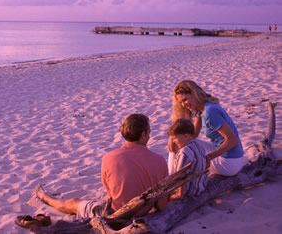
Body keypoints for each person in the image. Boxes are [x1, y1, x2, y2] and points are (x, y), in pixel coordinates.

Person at [34, 114, 168, 219]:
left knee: (73, 203)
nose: (149, 136)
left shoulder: (109, 157)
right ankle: (45, 197)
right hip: (141, 213)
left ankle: (46, 198)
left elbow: (110, 190)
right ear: (143, 134)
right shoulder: (160, 160)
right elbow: (162, 205)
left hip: (115, 214)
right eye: (149, 132)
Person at [170, 80, 244, 176]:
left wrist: (209, 157)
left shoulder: (210, 112)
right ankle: (173, 177)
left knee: (177, 146)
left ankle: (173, 178)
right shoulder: (202, 109)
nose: (183, 105)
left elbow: (233, 140)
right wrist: (173, 138)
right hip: (233, 157)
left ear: (194, 94)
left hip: (229, 163)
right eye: (181, 102)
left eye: (185, 100)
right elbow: (193, 135)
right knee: (178, 143)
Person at [167, 118, 208, 199]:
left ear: (186, 136)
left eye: (175, 138)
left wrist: (179, 194)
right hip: (200, 187)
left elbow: (181, 176)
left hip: (189, 191)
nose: (174, 141)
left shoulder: (184, 152)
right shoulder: (199, 146)